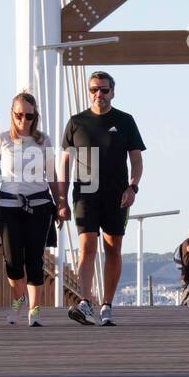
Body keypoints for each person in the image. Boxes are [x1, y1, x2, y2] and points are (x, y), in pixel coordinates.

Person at [58, 70, 146, 326]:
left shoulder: (125, 120)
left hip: (116, 194)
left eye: (104, 90)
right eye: (94, 89)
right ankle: (85, 302)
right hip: (85, 192)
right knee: (86, 247)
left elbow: (137, 160)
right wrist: (61, 199)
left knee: (113, 249)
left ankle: (107, 304)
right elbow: (65, 162)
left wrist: (133, 187)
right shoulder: (76, 122)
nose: (99, 94)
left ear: (112, 92)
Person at [0, 92, 60, 327]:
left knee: (34, 259)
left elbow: (52, 174)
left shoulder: (43, 140)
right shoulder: (2, 139)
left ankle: (34, 310)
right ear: (12, 114)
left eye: (29, 116)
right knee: (12, 260)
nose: (23, 120)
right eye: (19, 115)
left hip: (39, 205)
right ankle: (18, 299)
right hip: (9, 204)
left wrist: (61, 203)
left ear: (34, 116)